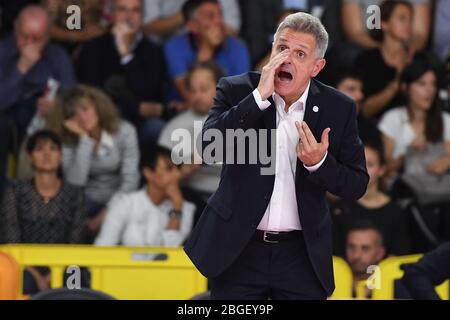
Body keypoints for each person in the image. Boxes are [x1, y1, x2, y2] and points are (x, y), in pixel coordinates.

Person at [184, 12, 369, 300]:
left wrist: (319, 163)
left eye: (299, 53)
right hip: (240, 248)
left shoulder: (338, 107)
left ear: (316, 66)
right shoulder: (237, 90)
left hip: (301, 255)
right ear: (271, 51)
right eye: (281, 48)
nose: (286, 59)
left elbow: (357, 184)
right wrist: (258, 99)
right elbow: (209, 148)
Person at [46, 85, 140, 238]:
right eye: (74, 114)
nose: (82, 118)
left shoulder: (125, 131)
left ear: (98, 107)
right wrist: (84, 140)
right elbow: (75, 184)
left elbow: (130, 181)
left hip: (120, 199)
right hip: (85, 201)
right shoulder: (69, 139)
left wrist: (104, 216)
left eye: (85, 109)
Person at [0, 130, 88, 294]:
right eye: (40, 149)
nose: (47, 154)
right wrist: (37, 276)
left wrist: (53, 275)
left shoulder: (75, 194)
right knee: (22, 282)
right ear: (29, 156)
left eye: (53, 148)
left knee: (76, 281)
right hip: (26, 265)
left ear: (60, 155)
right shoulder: (16, 191)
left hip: (67, 264)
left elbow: (77, 241)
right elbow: (12, 239)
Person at [77, 0, 167, 150]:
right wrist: (136, 108)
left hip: (140, 125)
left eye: (135, 10)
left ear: (142, 16)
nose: (129, 16)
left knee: (156, 127)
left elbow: (150, 97)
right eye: (122, 10)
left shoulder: (154, 51)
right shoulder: (92, 48)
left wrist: (126, 56)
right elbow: (92, 96)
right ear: (111, 15)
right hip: (101, 122)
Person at [158, 61, 223, 224]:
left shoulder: (241, 119)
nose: (197, 96)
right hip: (191, 198)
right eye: (192, 90)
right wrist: (188, 167)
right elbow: (159, 179)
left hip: (231, 197)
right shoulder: (174, 127)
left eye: (204, 89)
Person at [0, 5, 75, 143]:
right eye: (24, 36)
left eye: (36, 39)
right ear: (16, 29)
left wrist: (56, 105)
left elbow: (71, 96)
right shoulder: (3, 52)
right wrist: (21, 68)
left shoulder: (58, 56)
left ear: (47, 36)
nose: (29, 43)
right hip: (8, 117)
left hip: (44, 117)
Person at [95, 146, 195, 246]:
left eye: (178, 169)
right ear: (148, 173)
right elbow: (103, 247)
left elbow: (174, 250)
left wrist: (177, 207)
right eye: (169, 169)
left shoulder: (185, 208)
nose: (177, 174)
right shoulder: (125, 203)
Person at [332, 141, 411, 257]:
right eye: (357, 162)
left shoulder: (396, 212)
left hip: (382, 274)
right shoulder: (339, 208)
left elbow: (399, 255)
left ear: (381, 170)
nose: (362, 169)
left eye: (370, 164)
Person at [164, 0, 250, 104]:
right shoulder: (175, 47)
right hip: (187, 116)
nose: (219, 21)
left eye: (220, 14)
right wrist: (207, 49)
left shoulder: (237, 46)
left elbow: (241, 96)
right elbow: (193, 96)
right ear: (192, 25)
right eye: (210, 16)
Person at [355, 0, 414, 119]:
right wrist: (394, 87)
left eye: (410, 19)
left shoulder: (416, 59)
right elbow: (364, 110)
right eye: (402, 18)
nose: (409, 24)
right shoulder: (367, 61)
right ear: (384, 24)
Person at [142, 0, 241, 42]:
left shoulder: (238, 49)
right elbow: (146, 26)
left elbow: (232, 29)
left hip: (217, 47)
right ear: (191, 25)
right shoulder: (175, 47)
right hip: (164, 46)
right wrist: (190, 11)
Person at [42, 0, 107, 55]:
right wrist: (77, 35)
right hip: (60, 46)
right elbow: (46, 27)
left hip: (94, 44)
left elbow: (106, 16)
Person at [345, 221, 386, 299]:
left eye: (365, 248)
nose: (357, 255)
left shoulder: (395, 291)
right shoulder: (328, 288)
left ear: (380, 253)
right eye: (351, 247)